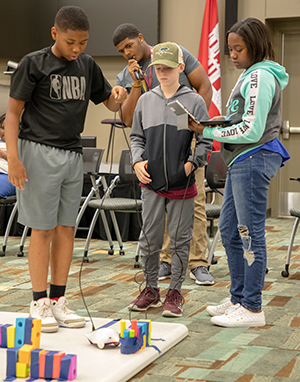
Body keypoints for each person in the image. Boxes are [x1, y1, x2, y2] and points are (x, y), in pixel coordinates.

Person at [5, 6, 127, 333]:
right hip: (37, 151)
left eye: (83, 43)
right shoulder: (34, 64)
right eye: (71, 42)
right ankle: (39, 301)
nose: (77, 49)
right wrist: (14, 158)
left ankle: (59, 301)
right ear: (55, 33)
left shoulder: (87, 65)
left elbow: (112, 104)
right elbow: (13, 114)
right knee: (41, 229)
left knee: (65, 229)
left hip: (73, 154)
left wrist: (119, 93)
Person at [188, 17, 290, 327]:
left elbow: (252, 128)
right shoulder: (250, 74)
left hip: (253, 157)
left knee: (249, 233)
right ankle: (238, 298)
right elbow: (240, 119)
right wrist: (213, 124)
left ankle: (252, 308)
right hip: (241, 160)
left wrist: (210, 133)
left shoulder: (260, 75)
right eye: (230, 49)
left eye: (238, 48)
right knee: (231, 230)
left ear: (255, 46)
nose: (232, 55)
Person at [113, 23, 214, 285]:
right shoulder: (126, 75)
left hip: (184, 140)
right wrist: (135, 84)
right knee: (160, 208)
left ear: (141, 38)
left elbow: (204, 87)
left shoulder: (173, 53)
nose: (127, 53)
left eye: (129, 46)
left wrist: (194, 132)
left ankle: (198, 262)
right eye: (121, 50)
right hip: (154, 147)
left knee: (196, 203)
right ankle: (166, 260)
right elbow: (127, 120)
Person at [129, 42, 212, 317]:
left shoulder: (194, 101)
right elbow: (136, 137)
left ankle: (175, 291)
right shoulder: (145, 100)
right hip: (151, 183)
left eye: (168, 68)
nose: (162, 73)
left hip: (182, 183)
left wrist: (191, 164)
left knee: (179, 239)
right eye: (158, 68)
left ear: (180, 67)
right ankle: (150, 289)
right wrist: (138, 160)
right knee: (149, 239)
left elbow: (205, 140)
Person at [0, 114, 16, 199]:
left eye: (8, 128)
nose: (3, 132)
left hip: (8, 175)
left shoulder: (20, 145)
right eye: (2, 128)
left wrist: (3, 155)